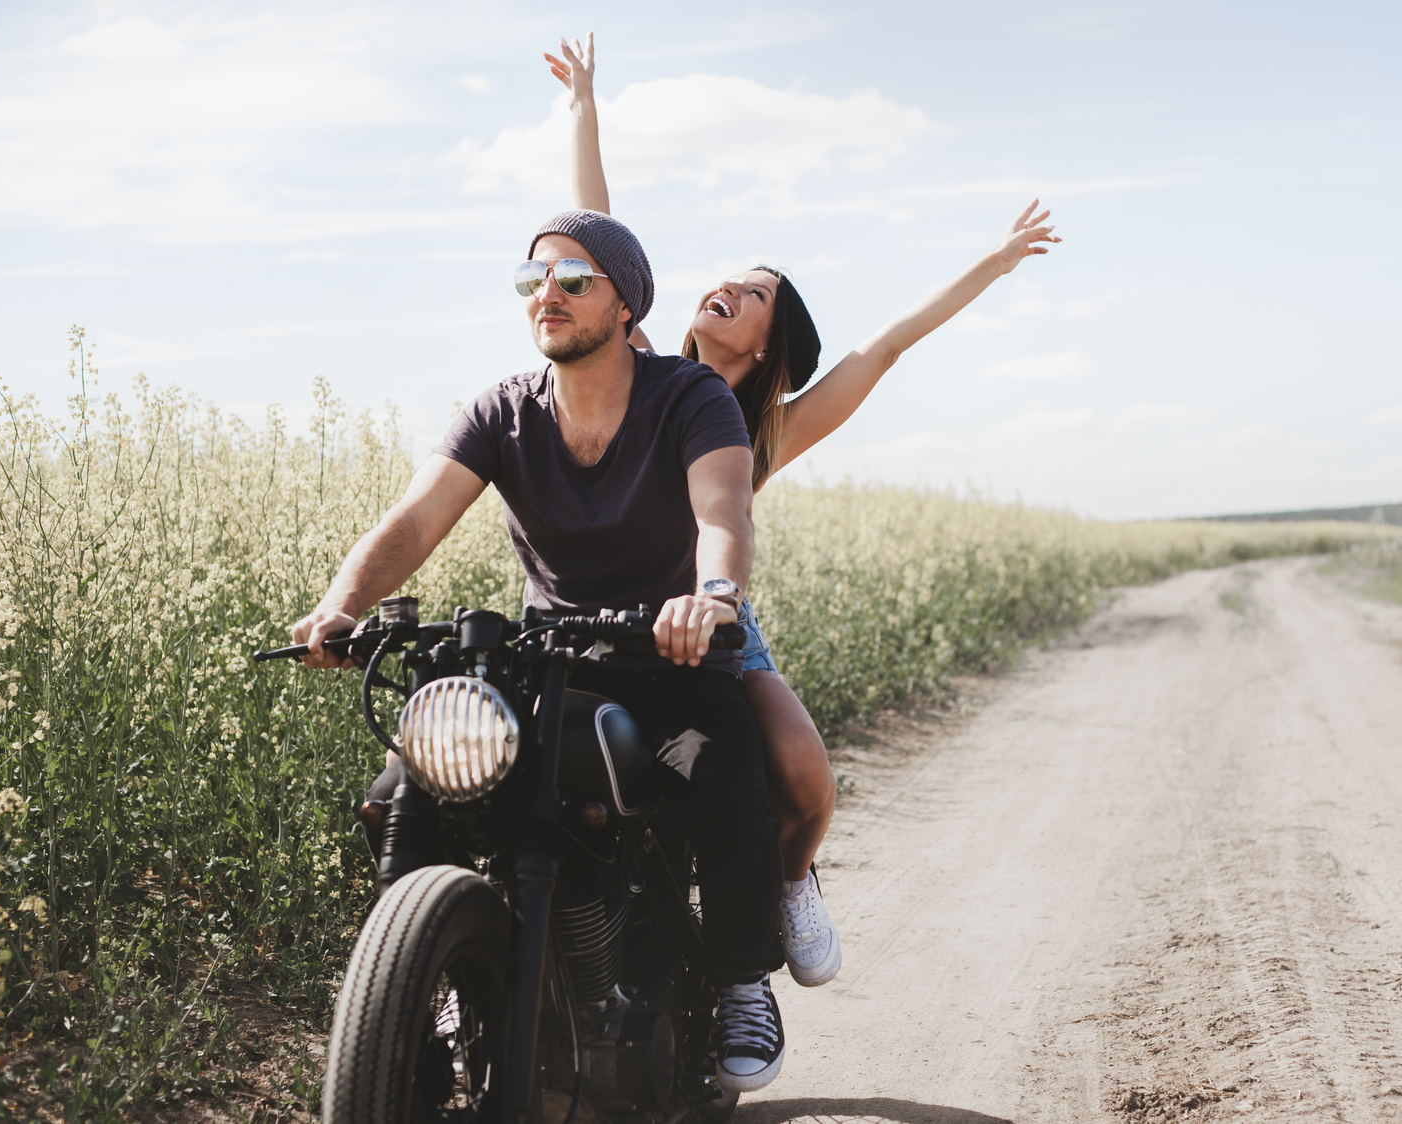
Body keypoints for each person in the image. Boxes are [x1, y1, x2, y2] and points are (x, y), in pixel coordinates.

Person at [544, 34, 1061, 990]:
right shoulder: (642, 369)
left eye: (756, 295)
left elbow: (885, 347)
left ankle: (787, 886)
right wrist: (584, 106)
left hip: (715, 620)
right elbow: (595, 233)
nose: (731, 287)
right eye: (734, 276)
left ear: (767, 344)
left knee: (806, 784)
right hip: (611, 622)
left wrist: (992, 263)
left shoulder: (770, 427)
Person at [291, 210, 789, 1093]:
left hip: (665, 658)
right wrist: (340, 609)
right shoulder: (501, 409)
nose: (546, 296)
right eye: (532, 282)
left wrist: (711, 600)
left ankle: (739, 978)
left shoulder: (689, 396)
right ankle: (424, 980)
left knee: (724, 768)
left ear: (627, 304)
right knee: (408, 786)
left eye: (572, 280)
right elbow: (413, 520)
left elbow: (723, 512)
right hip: (553, 658)